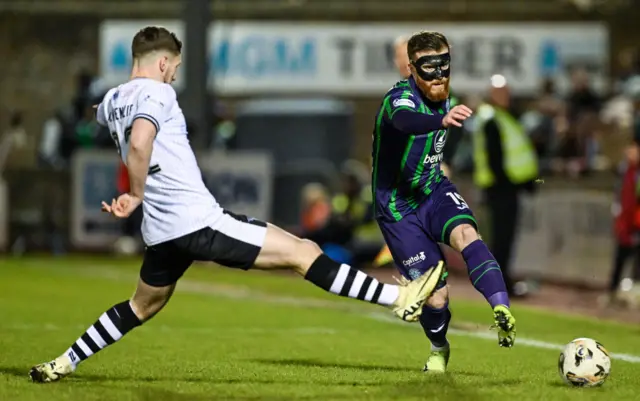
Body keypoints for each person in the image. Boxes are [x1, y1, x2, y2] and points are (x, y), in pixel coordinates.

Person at [28, 26, 444, 383]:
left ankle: (66, 361)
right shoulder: (158, 94)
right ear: (160, 64)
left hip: (161, 233)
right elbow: (140, 139)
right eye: (173, 68)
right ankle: (397, 298)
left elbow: (101, 113)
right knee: (303, 253)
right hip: (197, 223)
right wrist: (134, 194)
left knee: (142, 305)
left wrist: (107, 114)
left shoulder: (116, 98)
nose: (173, 76)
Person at [372, 31, 516, 374]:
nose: (438, 74)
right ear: (411, 68)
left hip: (433, 190)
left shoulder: (448, 97)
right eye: (428, 66)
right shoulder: (399, 99)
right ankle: (439, 347)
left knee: (467, 234)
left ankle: (502, 307)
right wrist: (440, 120)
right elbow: (407, 123)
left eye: (444, 64)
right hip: (397, 207)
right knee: (437, 298)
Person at [472, 74, 539, 298]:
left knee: (503, 240)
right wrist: (513, 183)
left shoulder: (503, 117)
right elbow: (496, 160)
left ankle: (499, 284)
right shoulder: (493, 119)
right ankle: (500, 286)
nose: (505, 96)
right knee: (502, 240)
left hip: (504, 188)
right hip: (501, 189)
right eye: (501, 92)